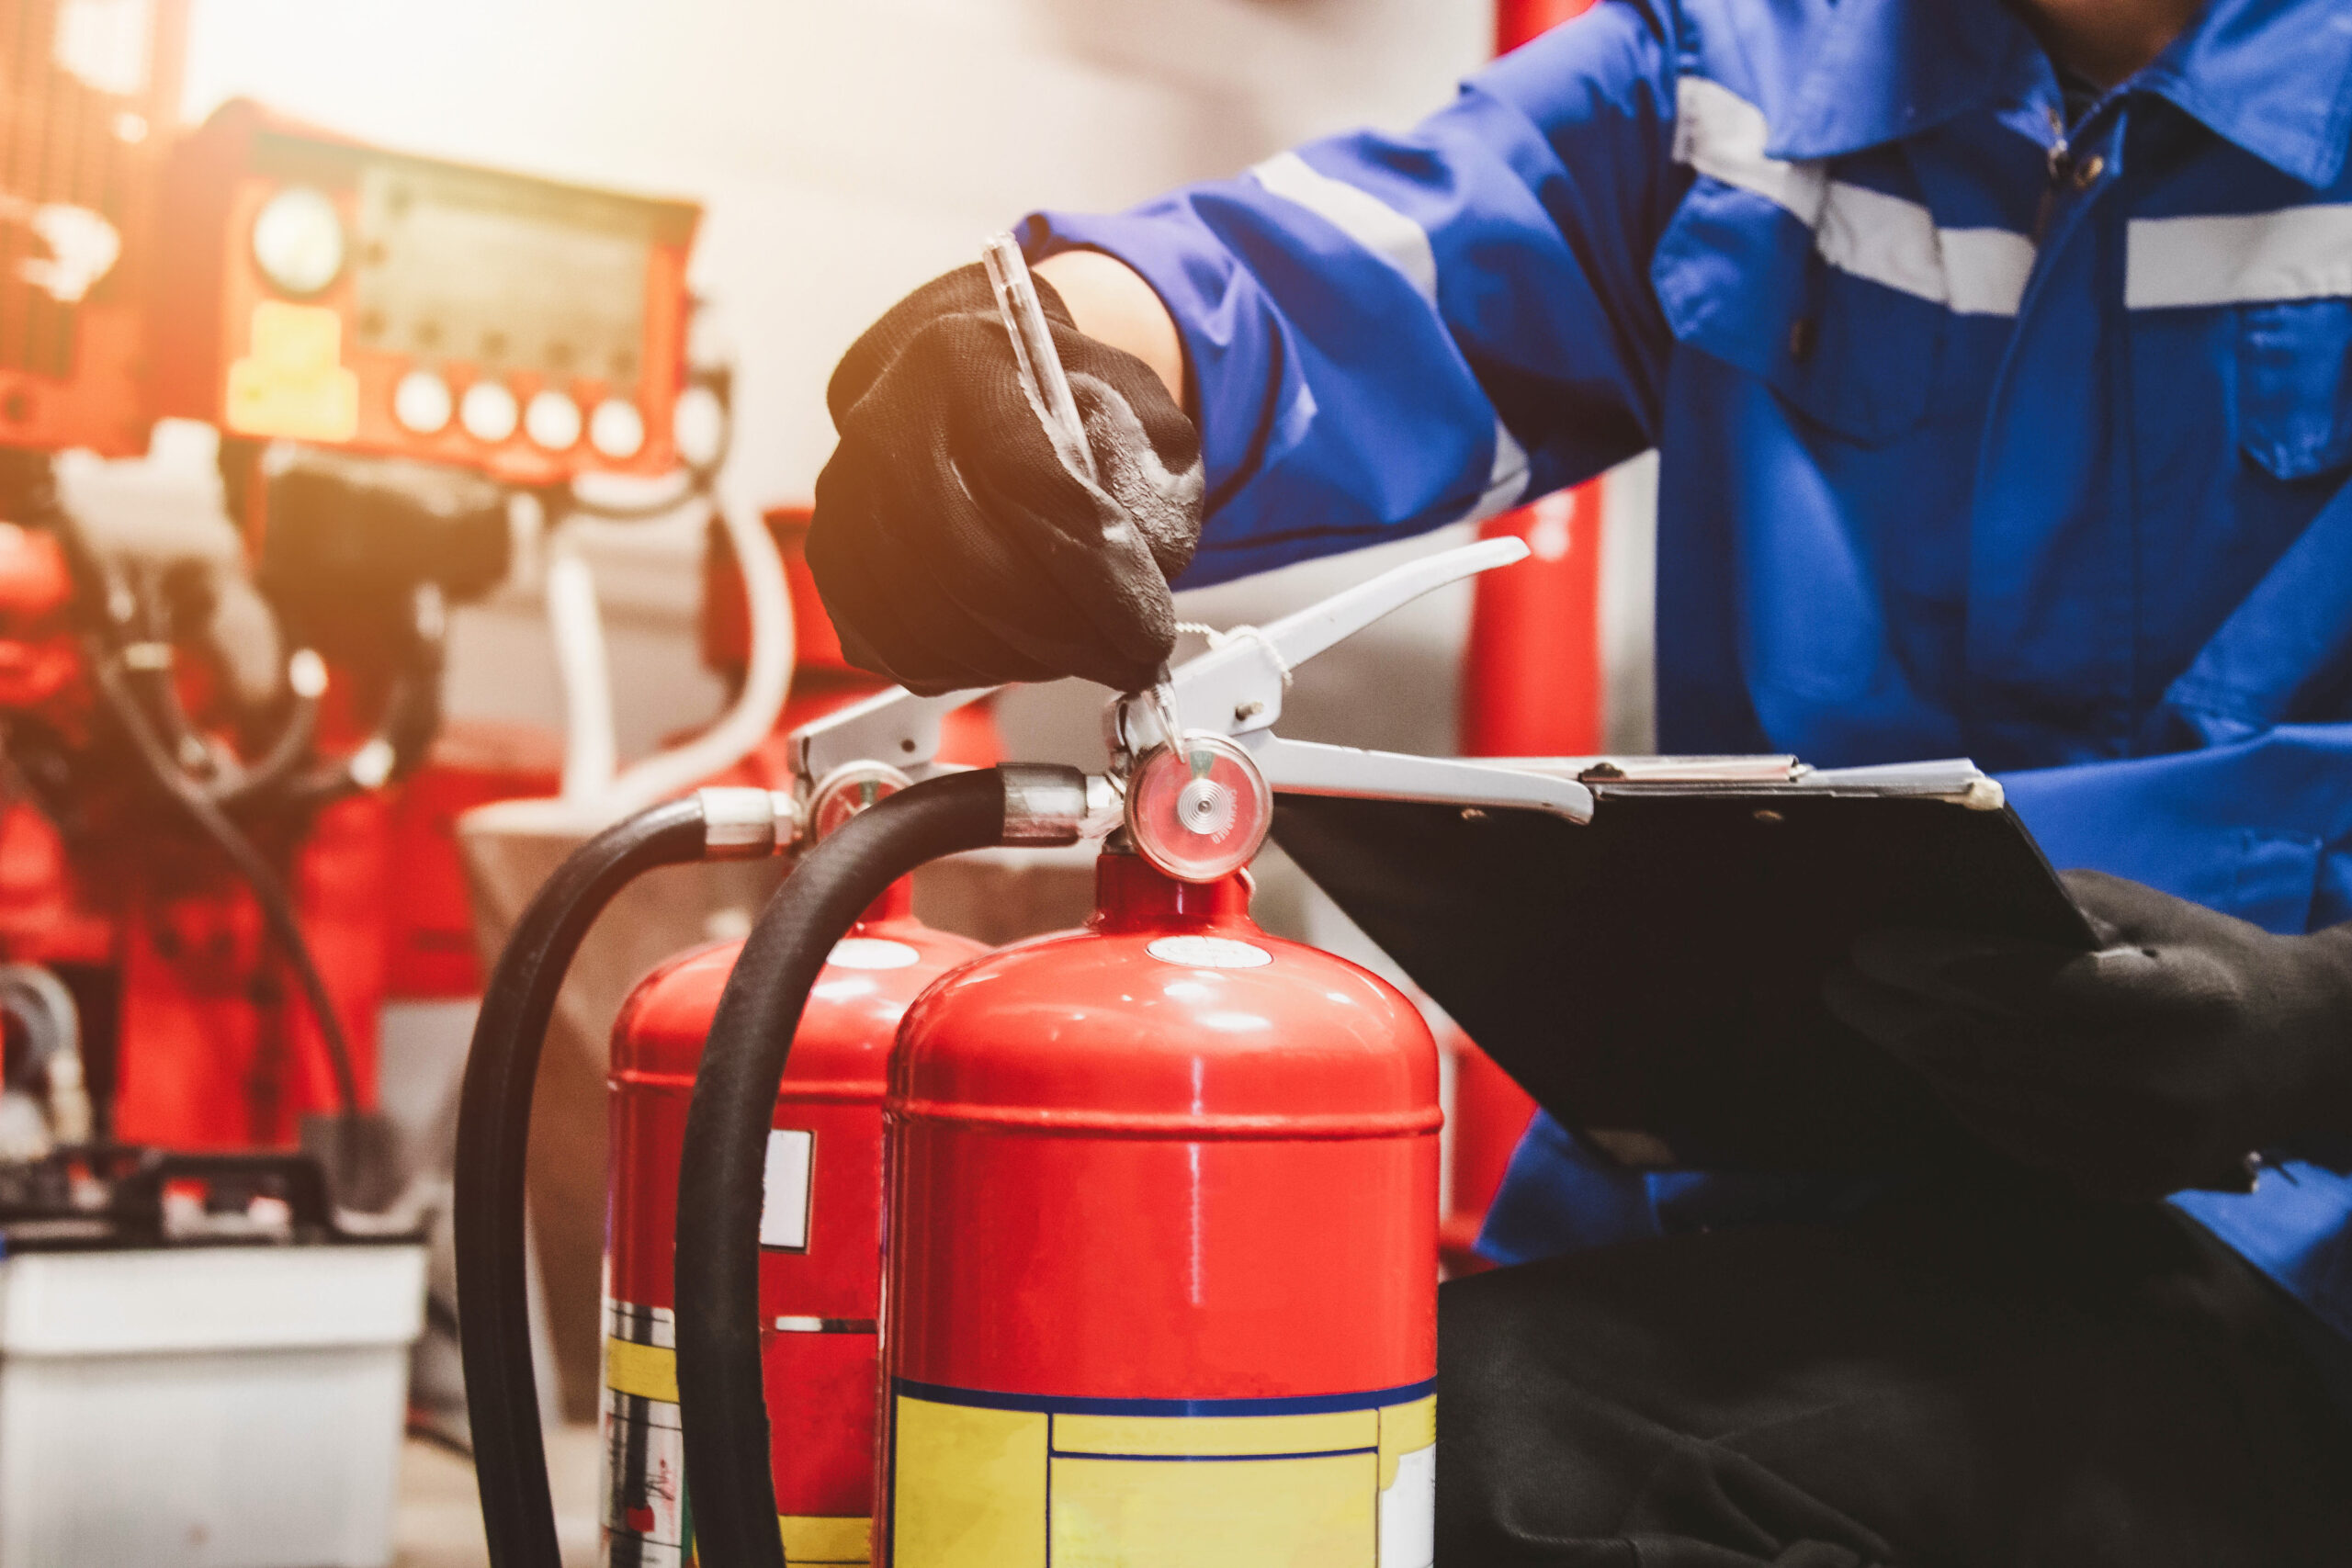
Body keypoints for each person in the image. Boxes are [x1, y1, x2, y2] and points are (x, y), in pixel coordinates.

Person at [807, 0, 2352, 1559]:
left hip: (2282, 1256)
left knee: (1500, 1479)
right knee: (1229, 1448)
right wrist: (1048, 376)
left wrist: (2321, 1040)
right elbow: (1355, 263)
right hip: (1758, 1209)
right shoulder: (1744, 73)